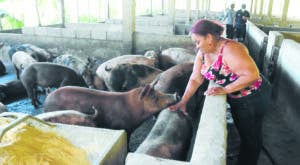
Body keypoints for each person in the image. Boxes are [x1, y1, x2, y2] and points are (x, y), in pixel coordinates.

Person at [169, 19, 271, 165]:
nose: (196, 46)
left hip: (254, 96)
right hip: (237, 96)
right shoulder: (203, 53)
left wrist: (225, 89)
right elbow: (195, 79)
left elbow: (252, 75)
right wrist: (183, 101)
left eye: (198, 41)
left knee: (250, 136)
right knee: (246, 133)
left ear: (209, 38)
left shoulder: (231, 49)